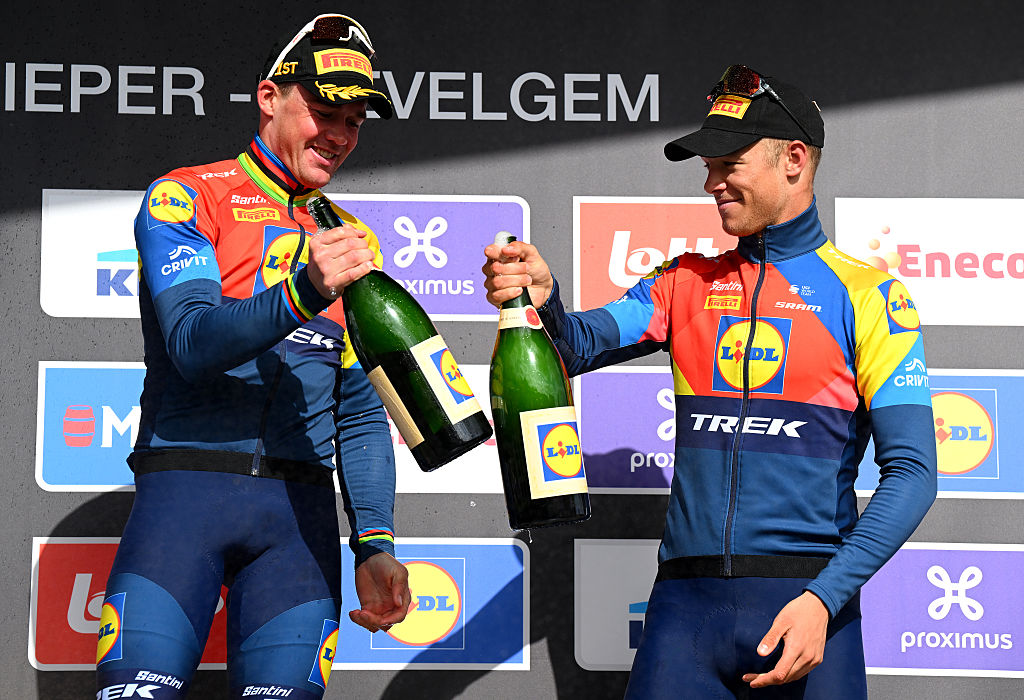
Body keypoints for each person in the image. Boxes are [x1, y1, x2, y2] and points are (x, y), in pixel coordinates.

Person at [483, 65, 937, 698]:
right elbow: (574, 346)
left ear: (794, 160)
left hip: (806, 611)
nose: (710, 181)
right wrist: (543, 300)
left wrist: (824, 599)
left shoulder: (868, 295)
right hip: (682, 614)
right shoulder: (686, 281)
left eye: (728, 162)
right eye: (707, 164)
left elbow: (914, 472)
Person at [96, 14, 410, 700]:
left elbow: (357, 410)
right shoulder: (188, 196)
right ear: (270, 98)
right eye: (325, 110)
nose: (339, 134)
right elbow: (193, 343)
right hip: (184, 500)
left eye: (354, 120)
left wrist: (375, 544)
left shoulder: (350, 239)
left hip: (296, 526)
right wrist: (305, 288)